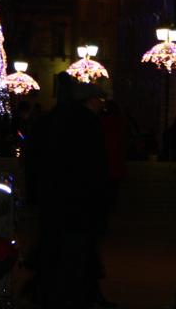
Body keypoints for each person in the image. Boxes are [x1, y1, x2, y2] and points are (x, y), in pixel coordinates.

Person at [37, 75, 110, 309]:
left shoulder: (55, 120)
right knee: (77, 249)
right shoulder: (88, 124)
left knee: (63, 248)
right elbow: (95, 165)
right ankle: (78, 294)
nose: (102, 104)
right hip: (80, 198)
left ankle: (60, 293)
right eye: (100, 100)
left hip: (59, 196)